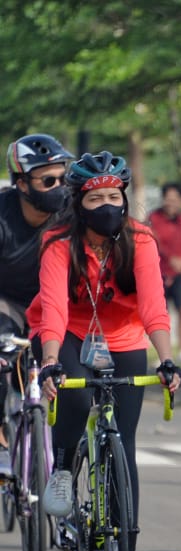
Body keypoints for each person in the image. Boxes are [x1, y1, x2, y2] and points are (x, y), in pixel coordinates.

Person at [30, 151, 181, 551]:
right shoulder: (60, 241)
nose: (107, 206)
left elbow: (155, 305)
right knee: (76, 398)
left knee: (126, 446)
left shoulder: (140, 239)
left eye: (114, 196)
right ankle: (61, 467)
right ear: (78, 203)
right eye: (95, 199)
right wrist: (51, 362)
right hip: (72, 335)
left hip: (126, 337)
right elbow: (54, 308)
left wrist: (166, 359)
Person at [0, 134, 75, 471]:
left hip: (53, 302)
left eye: (63, 177)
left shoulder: (72, 212)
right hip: (7, 302)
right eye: (48, 180)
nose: (59, 186)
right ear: (22, 184)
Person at [148, 182, 181, 367]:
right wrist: (171, 259)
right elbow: (154, 242)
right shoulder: (153, 218)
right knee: (162, 315)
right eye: (168, 199)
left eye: (175, 199)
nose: (171, 203)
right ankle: (162, 354)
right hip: (158, 272)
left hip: (179, 274)